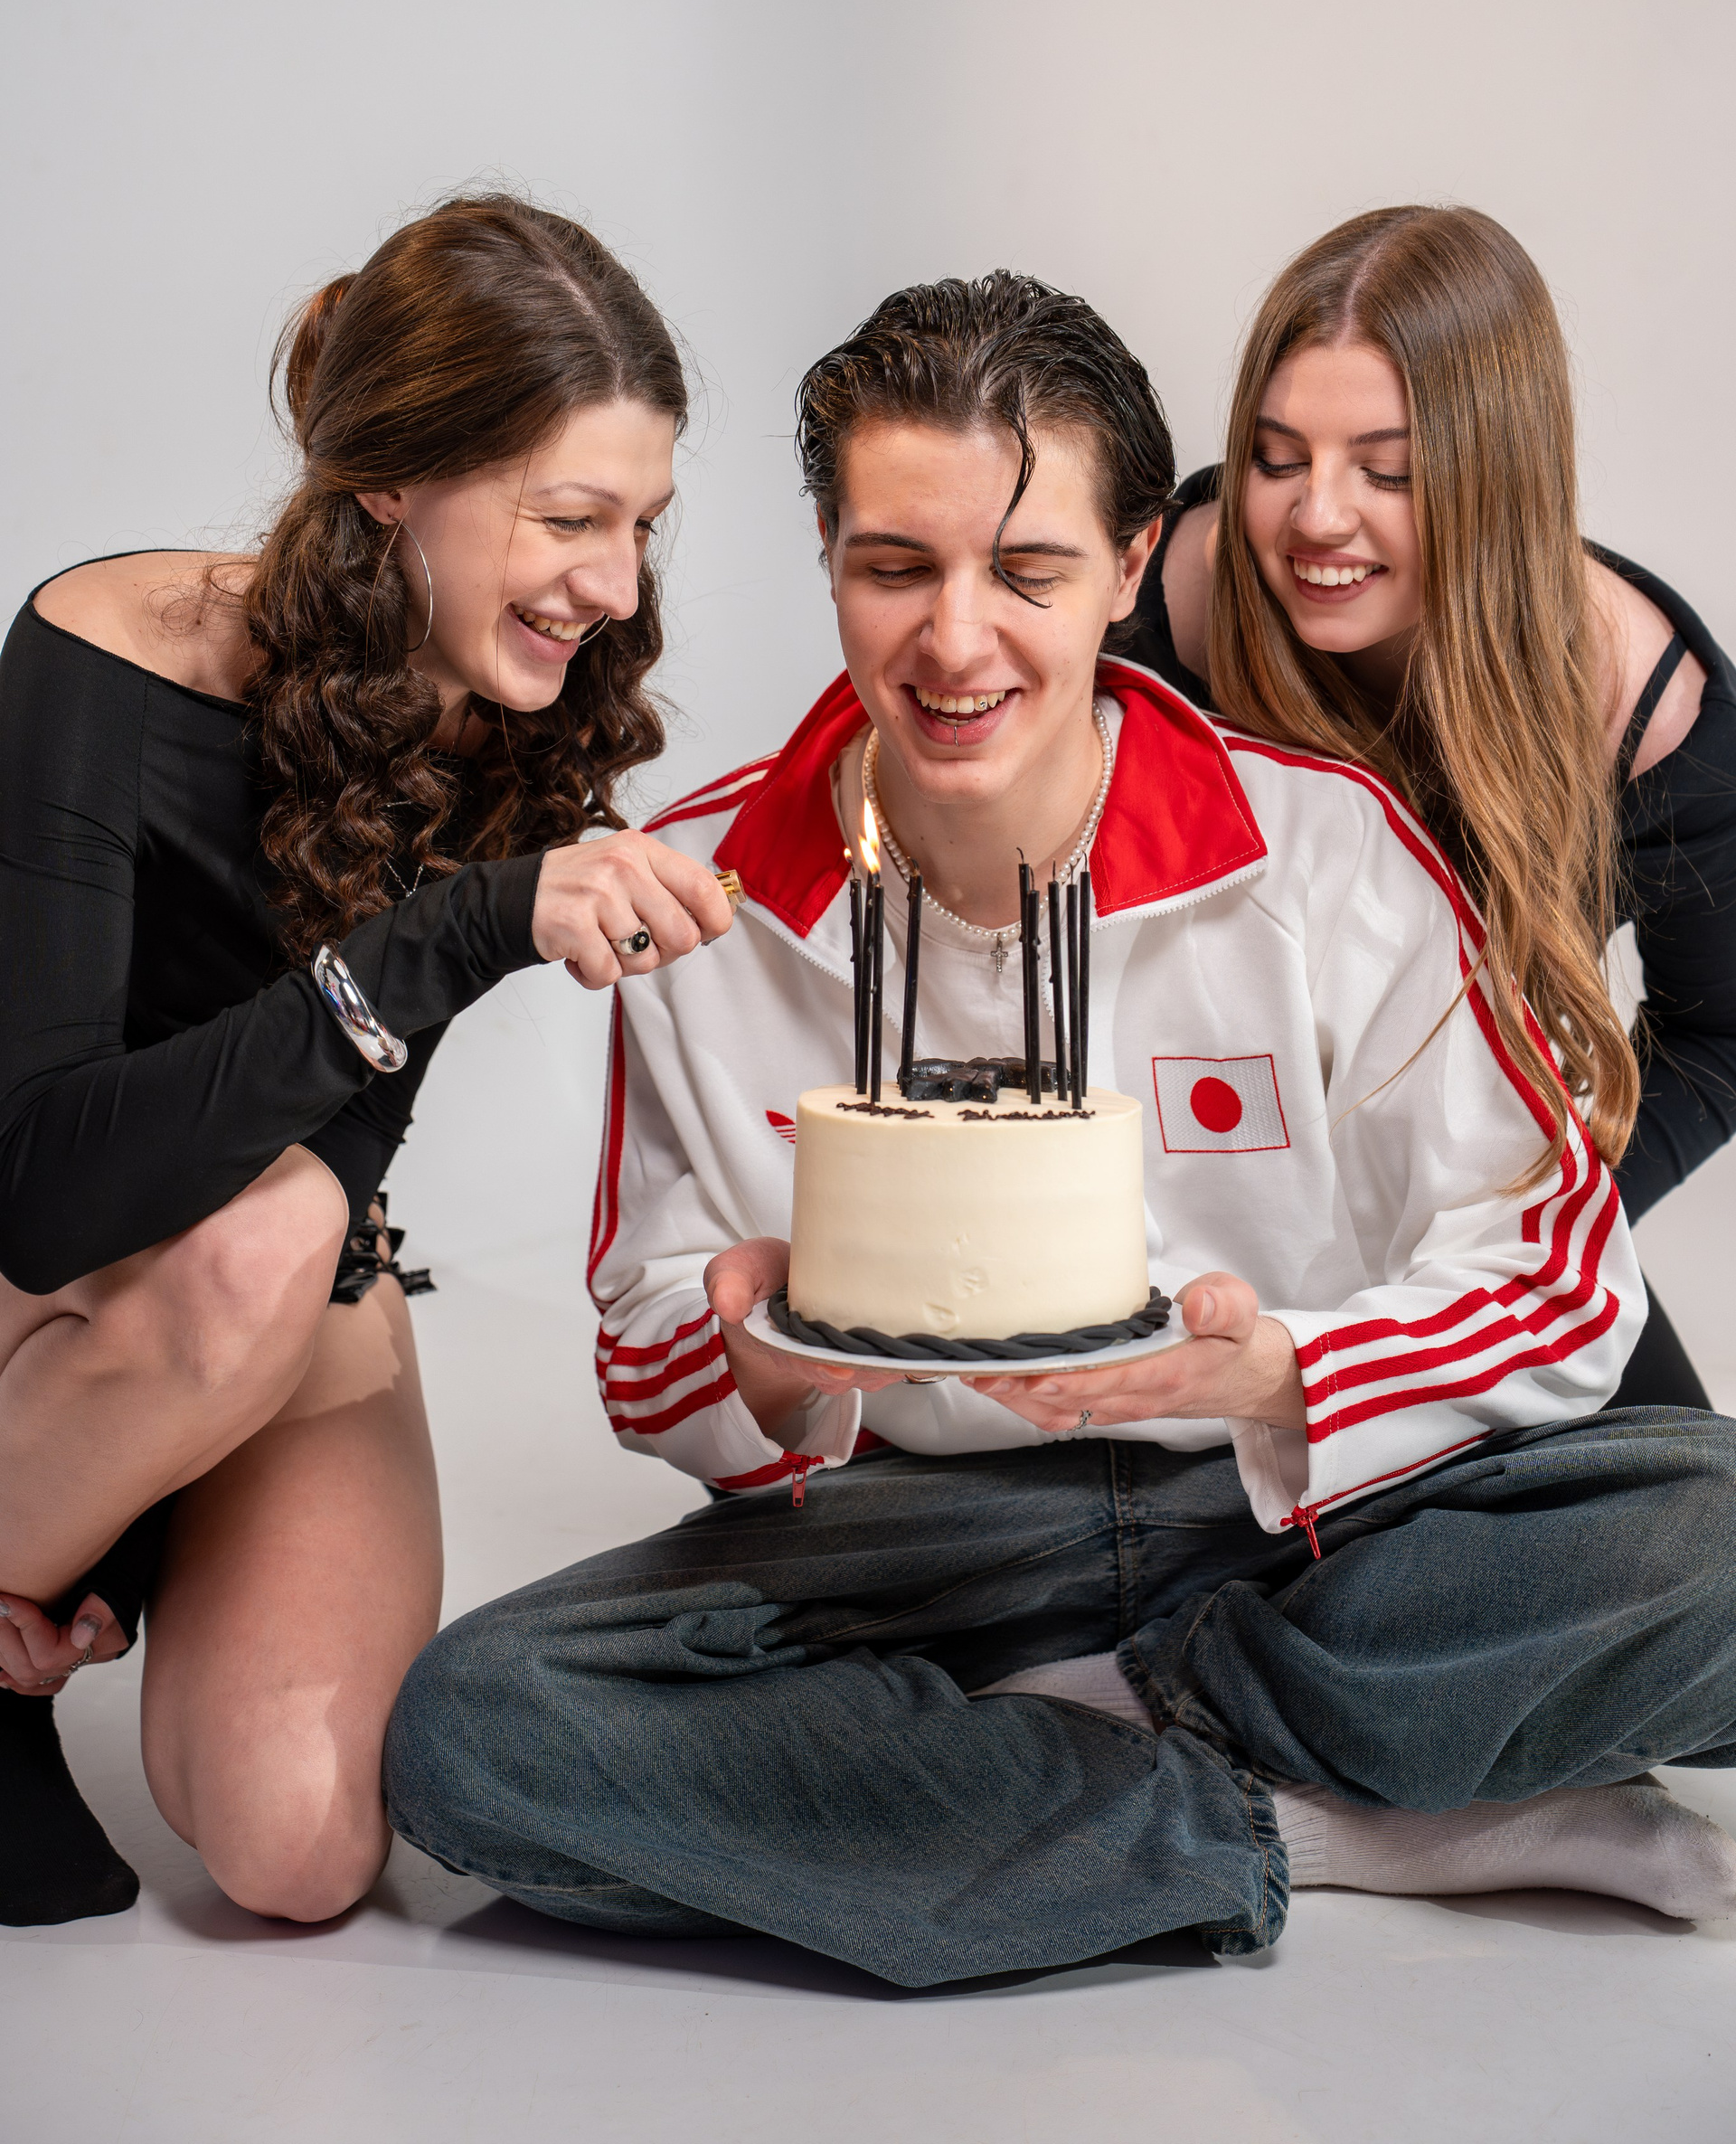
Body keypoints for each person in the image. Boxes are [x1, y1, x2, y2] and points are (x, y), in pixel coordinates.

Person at [384, 272, 1736, 1988]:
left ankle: (1066, 1742)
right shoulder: (707, 891)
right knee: (490, 1730)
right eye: (896, 567)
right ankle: (1318, 1820)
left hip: (1293, 1516)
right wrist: (766, 1368)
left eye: (1027, 572)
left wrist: (1282, 1373)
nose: (957, 644)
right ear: (826, 553)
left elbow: (1557, 1271)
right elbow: (650, 1344)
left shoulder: (1327, 850)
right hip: (934, 1529)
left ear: (1129, 565)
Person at [0, 194, 732, 1929]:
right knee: (249, 1252)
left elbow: (347, 1136)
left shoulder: (523, 695)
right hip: (37, 1265)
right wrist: (455, 929)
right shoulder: (101, 655)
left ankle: (71, 1535)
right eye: (569, 518)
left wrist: (142, 1495)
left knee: (302, 1850)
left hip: (258, 1283)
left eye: (641, 524)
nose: (615, 587)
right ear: (395, 479)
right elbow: (43, 1187)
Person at [1126, 205, 1736, 1412]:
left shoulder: (1649, 710)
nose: (1317, 517)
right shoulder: (1145, 611)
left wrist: (1536, 1230)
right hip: (1175, 1214)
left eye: (1389, 471)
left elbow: (1720, 1037)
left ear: (1498, 476)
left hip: (1447, 1240)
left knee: (1692, 1495)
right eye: (1277, 459)